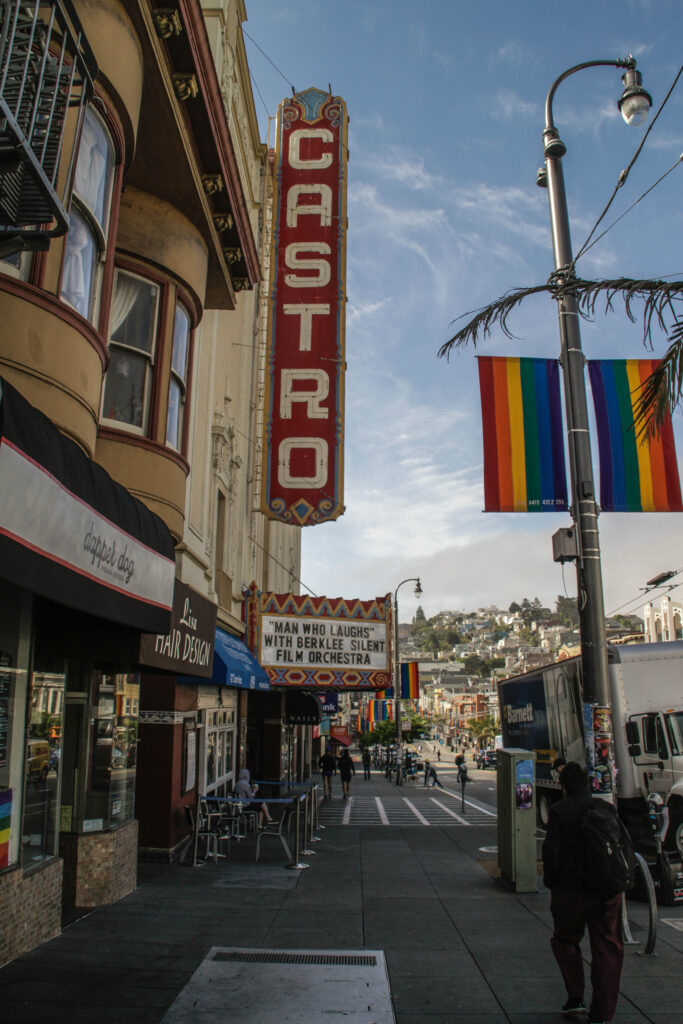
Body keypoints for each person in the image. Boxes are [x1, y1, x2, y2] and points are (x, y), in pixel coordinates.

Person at [542, 762, 624, 1024]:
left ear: (563, 786)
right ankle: (603, 1013)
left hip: (570, 890)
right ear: (587, 784)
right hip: (606, 891)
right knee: (607, 948)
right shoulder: (606, 809)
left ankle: (575, 998)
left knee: (565, 941)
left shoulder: (559, 810)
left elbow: (551, 852)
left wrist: (551, 881)